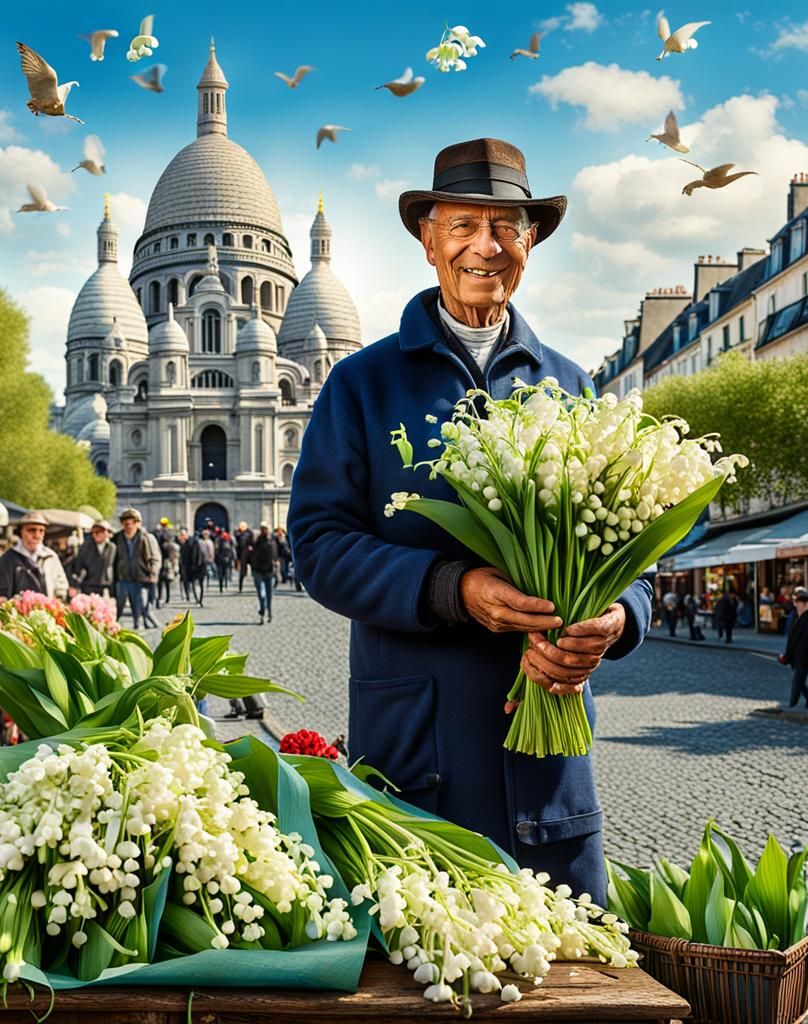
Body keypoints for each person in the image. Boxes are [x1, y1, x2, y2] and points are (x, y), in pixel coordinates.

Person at [287, 138, 653, 904]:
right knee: (427, 979)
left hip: (551, 758)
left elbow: (633, 556)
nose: (485, 248)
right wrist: (453, 589)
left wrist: (618, 616)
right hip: (420, 748)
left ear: (531, 242)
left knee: (568, 976)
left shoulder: (573, 385)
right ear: (428, 240)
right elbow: (318, 547)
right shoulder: (362, 383)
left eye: (507, 228)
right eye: (462, 227)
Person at [0, 512, 70, 603]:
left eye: (41, 531)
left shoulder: (51, 557)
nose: (37, 535)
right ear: (21, 531)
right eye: (32, 530)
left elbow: (62, 587)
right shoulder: (8, 558)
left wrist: (56, 602)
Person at [113, 508, 162, 629]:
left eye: (131, 524)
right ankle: (113, 627)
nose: (128, 527)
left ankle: (142, 627)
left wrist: (152, 574)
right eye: (125, 524)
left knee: (141, 608)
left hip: (141, 579)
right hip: (122, 578)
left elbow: (155, 559)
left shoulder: (147, 538)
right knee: (118, 607)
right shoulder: (117, 538)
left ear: (137, 523)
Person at [779, 588, 808, 709]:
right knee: (799, 681)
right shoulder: (796, 617)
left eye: (796, 602)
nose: (794, 604)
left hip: (806, 657)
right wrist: (787, 655)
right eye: (794, 601)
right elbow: (792, 638)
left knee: (797, 681)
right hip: (797, 656)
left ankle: (792, 705)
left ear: (805, 603)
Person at [70, 519, 116, 597]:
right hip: (88, 585)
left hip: (105, 585)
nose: (94, 535)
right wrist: (76, 583)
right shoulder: (86, 546)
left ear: (106, 533)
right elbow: (79, 564)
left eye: (97, 532)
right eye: (93, 532)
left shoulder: (112, 547)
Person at [250, 524, 278, 624]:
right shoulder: (256, 542)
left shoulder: (272, 542)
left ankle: (269, 613)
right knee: (261, 595)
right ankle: (262, 612)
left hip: (269, 572)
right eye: (263, 529)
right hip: (258, 572)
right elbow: (251, 555)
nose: (264, 531)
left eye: (266, 529)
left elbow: (275, 556)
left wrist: (275, 568)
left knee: (269, 595)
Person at [180, 528, 208, 607]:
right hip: (193, 568)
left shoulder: (192, 542)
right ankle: (198, 600)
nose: (181, 536)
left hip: (197, 567)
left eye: (182, 535)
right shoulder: (185, 543)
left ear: (186, 534)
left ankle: (199, 601)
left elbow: (196, 555)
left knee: (197, 584)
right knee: (195, 584)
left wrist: (194, 566)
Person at [234, 521, 254, 594]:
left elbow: (252, 542)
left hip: (250, 554)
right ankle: (240, 588)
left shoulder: (250, 533)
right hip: (242, 554)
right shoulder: (238, 533)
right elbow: (236, 542)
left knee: (254, 570)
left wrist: (251, 547)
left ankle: (257, 585)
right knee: (242, 572)